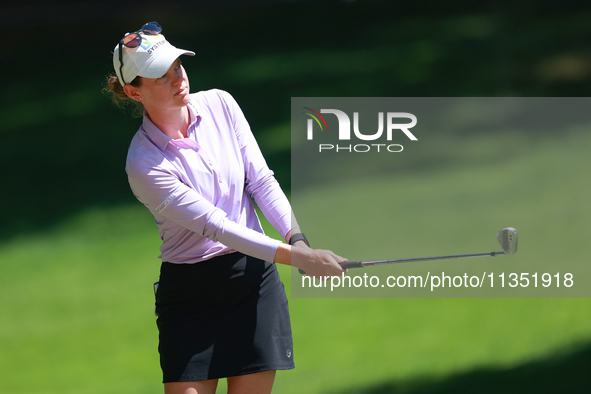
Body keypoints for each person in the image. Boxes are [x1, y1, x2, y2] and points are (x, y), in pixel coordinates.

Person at [105, 21, 347, 394]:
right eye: (160, 75)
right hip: (190, 295)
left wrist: (298, 241)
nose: (176, 78)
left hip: (253, 281)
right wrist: (298, 259)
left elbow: (261, 180)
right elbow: (216, 226)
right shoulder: (144, 164)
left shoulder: (221, 103)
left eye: (177, 67)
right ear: (133, 93)